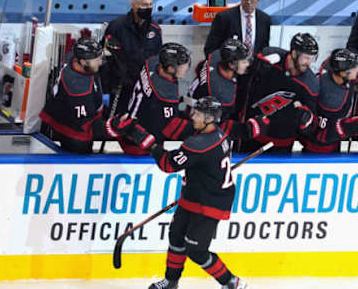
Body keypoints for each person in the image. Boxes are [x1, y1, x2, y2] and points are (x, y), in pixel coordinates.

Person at [109, 97, 260, 289]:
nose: (192, 117)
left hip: (211, 202)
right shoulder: (217, 134)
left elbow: (167, 164)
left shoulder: (199, 144)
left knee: (197, 251)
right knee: (176, 237)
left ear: (209, 119)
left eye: (197, 114)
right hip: (195, 194)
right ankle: (171, 282)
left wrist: (142, 139)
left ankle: (231, 282)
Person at [240, 32, 320, 154]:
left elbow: (312, 120)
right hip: (253, 133)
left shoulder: (310, 84)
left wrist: (306, 118)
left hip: (282, 144)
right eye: (306, 57)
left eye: (312, 58)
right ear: (294, 53)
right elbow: (243, 78)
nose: (309, 63)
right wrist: (254, 67)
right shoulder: (269, 57)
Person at [39, 37, 119, 153]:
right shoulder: (78, 90)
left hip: (65, 112)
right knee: (79, 159)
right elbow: (87, 126)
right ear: (82, 62)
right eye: (97, 60)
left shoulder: (75, 59)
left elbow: (97, 61)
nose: (100, 62)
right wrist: (113, 127)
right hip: (75, 133)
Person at [119, 42, 194, 155]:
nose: (185, 68)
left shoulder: (153, 63)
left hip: (128, 127)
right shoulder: (164, 92)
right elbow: (170, 128)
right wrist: (199, 128)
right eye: (181, 66)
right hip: (140, 144)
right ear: (170, 68)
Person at [102, 0, 162, 115]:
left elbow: (157, 60)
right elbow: (106, 57)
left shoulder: (155, 30)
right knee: (116, 121)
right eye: (144, 5)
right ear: (134, 5)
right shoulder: (116, 26)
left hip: (145, 88)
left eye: (151, 4)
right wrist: (108, 87)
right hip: (120, 87)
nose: (149, 8)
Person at [299, 48, 358, 153]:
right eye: (354, 68)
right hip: (319, 147)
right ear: (344, 73)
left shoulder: (336, 72)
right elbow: (322, 132)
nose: (357, 69)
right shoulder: (330, 97)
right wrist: (343, 128)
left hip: (331, 140)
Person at [204, 0, 271, 57]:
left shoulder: (265, 20)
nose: (248, 2)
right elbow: (211, 49)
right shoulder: (224, 17)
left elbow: (264, 49)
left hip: (254, 67)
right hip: (229, 66)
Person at [188, 38, 250, 121]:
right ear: (231, 65)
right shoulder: (220, 93)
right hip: (201, 117)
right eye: (243, 62)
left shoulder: (218, 55)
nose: (248, 64)